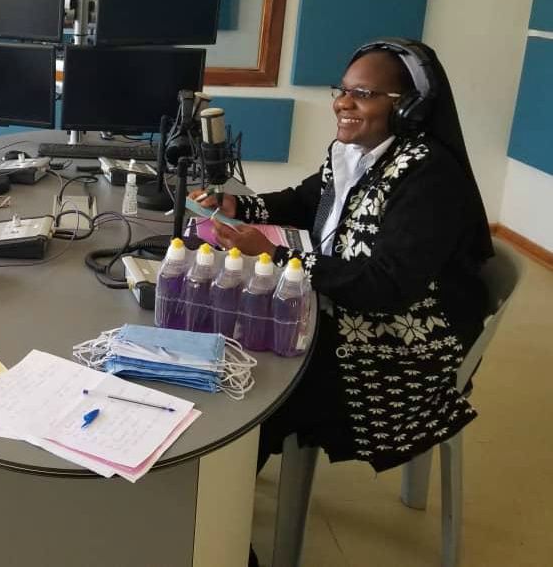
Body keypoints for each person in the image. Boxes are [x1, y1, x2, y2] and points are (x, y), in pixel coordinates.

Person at [192, 38, 493, 474]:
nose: (343, 104)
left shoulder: (428, 176)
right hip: (341, 307)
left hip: (398, 348)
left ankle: (226, 526)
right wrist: (241, 207)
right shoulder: (356, 153)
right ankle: (222, 501)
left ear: (409, 106)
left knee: (256, 382)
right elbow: (304, 200)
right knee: (242, 340)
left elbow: (385, 288)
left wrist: (277, 256)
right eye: (343, 90)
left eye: (364, 94)